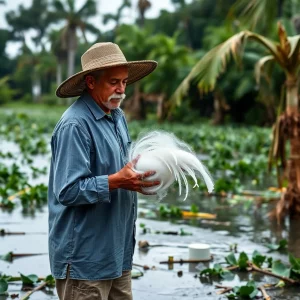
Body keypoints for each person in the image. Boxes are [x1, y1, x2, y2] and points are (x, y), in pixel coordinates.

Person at [48, 42, 160, 300]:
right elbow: (67, 190)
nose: (121, 90)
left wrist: (139, 178)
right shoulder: (74, 126)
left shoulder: (117, 116)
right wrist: (117, 181)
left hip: (117, 254)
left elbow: (123, 170)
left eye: (124, 82)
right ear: (90, 82)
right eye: (113, 82)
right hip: (85, 261)